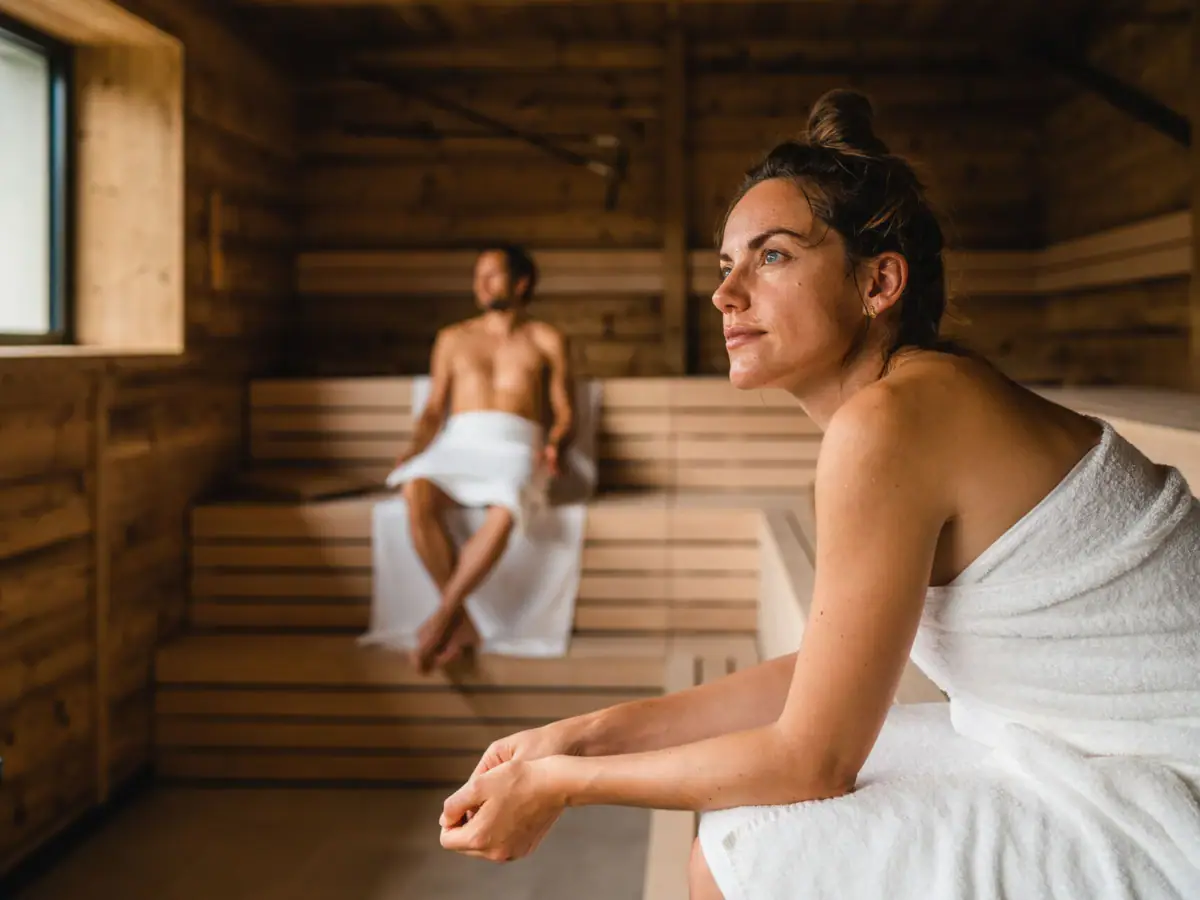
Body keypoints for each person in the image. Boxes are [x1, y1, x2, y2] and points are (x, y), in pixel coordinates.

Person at [434, 90, 1200, 898]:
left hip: (1165, 778)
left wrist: (559, 786)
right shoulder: (906, 407)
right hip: (1079, 740)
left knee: (741, 860)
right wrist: (580, 738)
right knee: (735, 826)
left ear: (878, 284)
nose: (727, 295)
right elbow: (818, 677)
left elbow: (813, 759)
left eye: (771, 257)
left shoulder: (892, 422)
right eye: (725, 266)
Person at [387, 245, 573, 673]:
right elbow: (435, 410)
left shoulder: (546, 339)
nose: (481, 284)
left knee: (508, 503)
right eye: (478, 276)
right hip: (460, 441)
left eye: (492, 275)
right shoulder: (453, 339)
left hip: (517, 443)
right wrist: (414, 449)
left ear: (520, 282)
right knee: (416, 488)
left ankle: (439, 620)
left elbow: (564, 411)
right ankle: (459, 619)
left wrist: (557, 442)